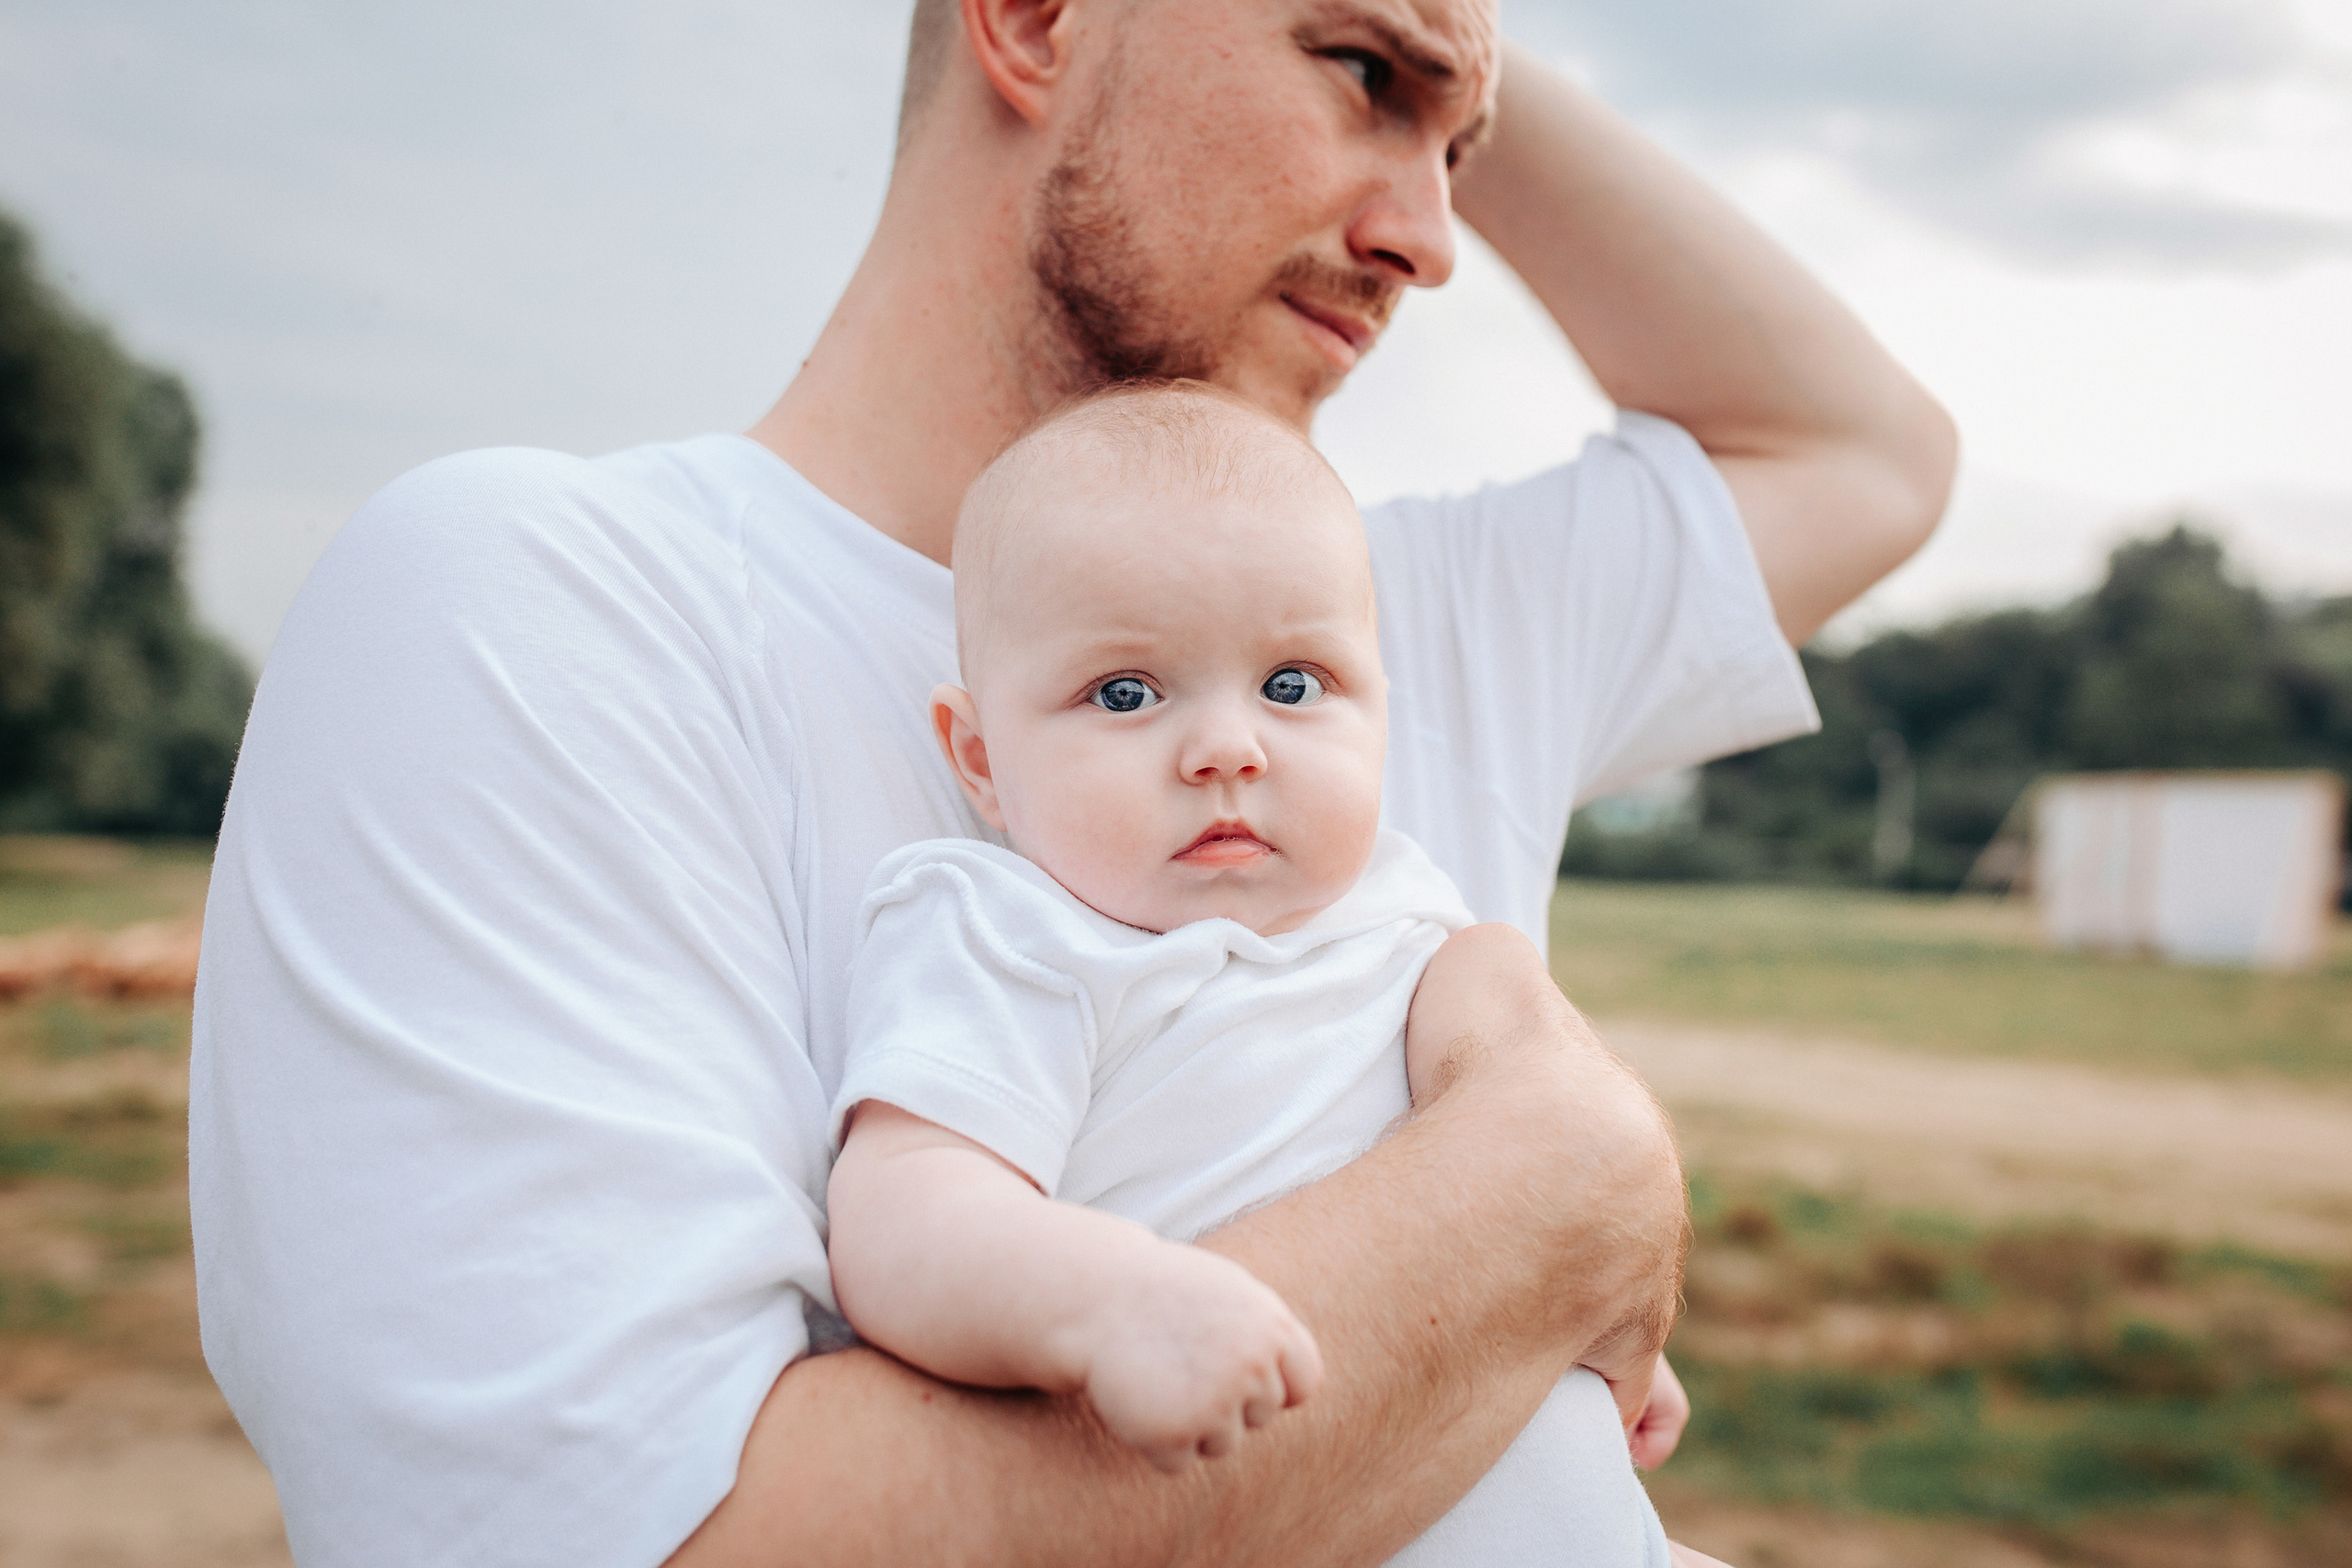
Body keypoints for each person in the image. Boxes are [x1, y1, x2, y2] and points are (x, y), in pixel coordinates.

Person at [188, 1, 1954, 1564]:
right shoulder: (543, 604)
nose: (1433, 241)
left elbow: (1866, 451)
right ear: (1033, 20)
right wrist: (1549, 1192)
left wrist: (1454, 41)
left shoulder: (1382, 619)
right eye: (1359, 72)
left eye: (1463, 148)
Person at [827, 378, 1675, 1565]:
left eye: (1292, 686)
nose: (1228, 748)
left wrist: (1570, 1304)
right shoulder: (1010, 933)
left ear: (1381, 712)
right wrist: (1103, 1303)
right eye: (1124, 693)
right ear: (979, 757)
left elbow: (1524, 1185)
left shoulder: (1405, 913)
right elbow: (902, 1213)